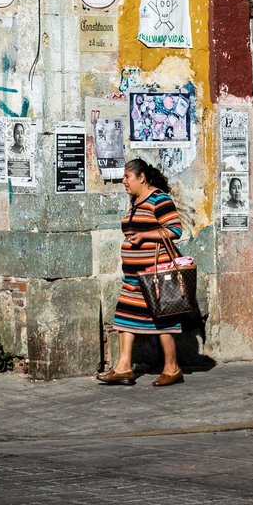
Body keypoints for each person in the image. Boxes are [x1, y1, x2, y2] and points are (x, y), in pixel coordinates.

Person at [97, 157, 185, 389]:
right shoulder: (135, 201)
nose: (124, 181)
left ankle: (172, 369)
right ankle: (124, 367)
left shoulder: (160, 199)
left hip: (155, 274)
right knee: (125, 315)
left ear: (141, 177)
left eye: (127, 177)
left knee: (162, 318)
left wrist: (145, 236)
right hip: (133, 277)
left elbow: (175, 230)